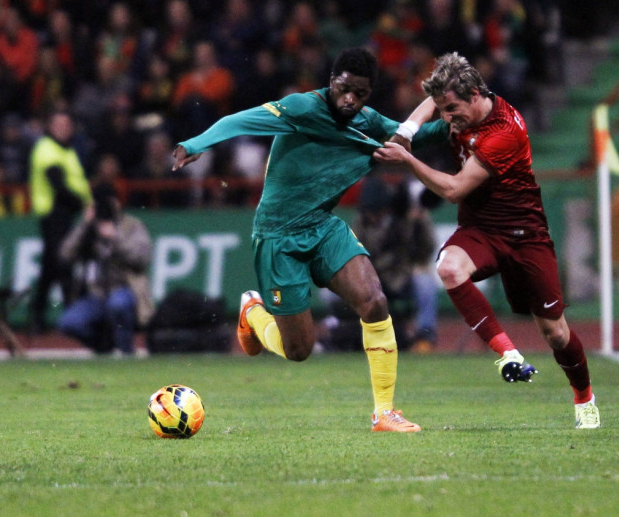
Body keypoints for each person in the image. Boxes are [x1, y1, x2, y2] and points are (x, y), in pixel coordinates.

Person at [173, 47, 448, 432]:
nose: (350, 99)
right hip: (278, 236)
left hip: (323, 226)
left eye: (361, 93)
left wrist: (467, 119)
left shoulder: (367, 120)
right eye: (345, 88)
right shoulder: (302, 108)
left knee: (374, 301)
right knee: (298, 350)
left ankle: (384, 412)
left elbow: (417, 135)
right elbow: (239, 120)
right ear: (331, 81)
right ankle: (253, 311)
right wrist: (196, 143)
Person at [374, 52, 600, 429]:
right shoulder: (457, 99)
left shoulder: (505, 132)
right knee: (448, 267)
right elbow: (432, 100)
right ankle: (508, 354)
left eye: (453, 109)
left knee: (556, 334)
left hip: (526, 235)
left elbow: (454, 188)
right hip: (481, 229)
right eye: (445, 110)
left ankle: (584, 398)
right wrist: (407, 133)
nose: (447, 118)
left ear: (475, 94)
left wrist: (407, 160)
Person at [57, 186, 154, 355]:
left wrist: (116, 239)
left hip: (125, 289)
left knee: (117, 305)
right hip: (96, 293)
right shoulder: (89, 229)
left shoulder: (131, 226)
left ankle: (125, 351)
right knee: (69, 323)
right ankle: (103, 347)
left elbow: (141, 259)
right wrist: (84, 226)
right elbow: (65, 255)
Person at [352, 176, 439, 352]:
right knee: (331, 294)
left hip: (402, 276)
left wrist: (419, 221)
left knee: (426, 283)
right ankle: (351, 333)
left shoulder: (406, 217)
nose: (373, 216)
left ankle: (425, 337)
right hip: (372, 278)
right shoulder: (361, 223)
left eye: (377, 211)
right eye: (370, 212)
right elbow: (353, 254)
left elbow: (427, 249)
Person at [28, 109, 92, 333]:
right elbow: (59, 185)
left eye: (67, 125)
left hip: (66, 214)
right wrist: (83, 204)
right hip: (55, 213)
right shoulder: (47, 149)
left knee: (51, 265)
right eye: (58, 125)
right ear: (50, 127)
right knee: (63, 263)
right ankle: (71, 317)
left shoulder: (67, 150)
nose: (64, 129)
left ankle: (37, 317)